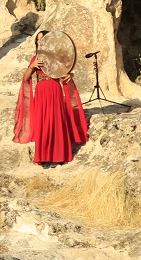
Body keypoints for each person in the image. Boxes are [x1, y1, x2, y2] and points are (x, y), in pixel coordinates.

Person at [13, 31, 88, 166]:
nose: (40, 41)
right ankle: (44, 157)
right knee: (43, 123)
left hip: (55, 89)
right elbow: (26, 77)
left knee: (57, 121)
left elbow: (66, 73)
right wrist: (32, 66)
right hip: (41, 91)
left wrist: (70, 76)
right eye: (38, 40)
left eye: (43, 38)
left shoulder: (56, 58)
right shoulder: (36, 58)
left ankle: (59, 156)